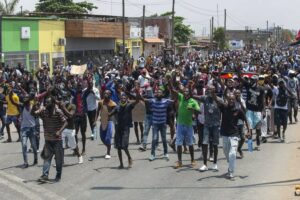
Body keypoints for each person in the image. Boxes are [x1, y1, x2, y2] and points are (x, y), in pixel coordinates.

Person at [34, 96, 67, 182]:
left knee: (58, 160)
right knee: (47, 159)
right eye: (45, 102)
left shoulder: (58, 112)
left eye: (48, 102)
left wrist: (59, 131)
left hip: (57, 140)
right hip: (48, 140)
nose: (46, 104)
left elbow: (65, 122)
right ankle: (45, 175)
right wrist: (35, 105)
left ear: (53, 104)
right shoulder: (44, 112)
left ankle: (58, 175)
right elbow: (34, 114)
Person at [169, 79, 200, 169]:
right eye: (184, 91)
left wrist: (193, 111)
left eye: (187, 91)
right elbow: (172, 90)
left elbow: (199, 111)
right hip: (180, 124)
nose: (185, 92)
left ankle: (192, 160)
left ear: (190, 93)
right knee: (179, 143)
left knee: (190, 144)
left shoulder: (193, 101)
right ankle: (179, 162)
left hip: (189, 125)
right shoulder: (181, 97)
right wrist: (169, 81)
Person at [220, 93, 250, 179]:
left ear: (235, 100)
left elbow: (246, 119)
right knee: (226, 152)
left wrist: (249, 130)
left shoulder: (238, 110)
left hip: (234, 134)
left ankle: (231, 172)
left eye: (233, 99)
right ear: (227, 100)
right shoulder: (223, 107)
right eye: (229, 99)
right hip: (225, 134)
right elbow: (216, 99)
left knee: (232, 154)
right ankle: (230, 164)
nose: (231, 101)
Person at [193, 85, 222, 171]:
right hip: (206, 125)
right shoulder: (205, 98)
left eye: (211, 90)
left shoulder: (219, 99)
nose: (209, 91)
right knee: (204, 143)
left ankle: (215, 163)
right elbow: (192, 96)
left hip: (216, 125)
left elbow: (225, 106)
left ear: (215, 90)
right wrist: (191, 87)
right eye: (208, 90)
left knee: (215, 144)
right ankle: (205, 164)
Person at [141, 89, 173, 161]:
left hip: (163, 124)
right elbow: (143, 99)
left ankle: (165, 153)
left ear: (162, 94)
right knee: (154, 139)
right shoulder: (152, 100)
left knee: (164, 139)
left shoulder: (166, 101)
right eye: (157, 92)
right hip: (155, 123)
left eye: (159, 92)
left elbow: (175, 101)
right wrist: (137, 93)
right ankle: (152, 154)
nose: (158, 93)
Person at [110, 92, 139, 168]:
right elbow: (111, 113)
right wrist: (106, 115)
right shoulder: (117, 107)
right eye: (122, 98)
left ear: (126, 99)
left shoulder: (129, 106)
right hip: (118, 128)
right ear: (120, 99)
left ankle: (129, 158)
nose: (123, 99)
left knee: (124, 146)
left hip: (126, 128)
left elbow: (137, 100)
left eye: (124, 98)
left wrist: (131, 93)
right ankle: (121, 164)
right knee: (119, 147)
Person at [57, 98, 83, 164]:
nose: (63, 100)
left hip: (70, 128)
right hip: (62, 128)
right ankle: (61, 161)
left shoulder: (73, 106)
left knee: (73, 145)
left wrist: (63, 107)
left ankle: (79, 156)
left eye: (66, 97)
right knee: (61, 145)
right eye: (63, 97)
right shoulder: (60, 105)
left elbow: (70, 115)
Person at [96, 90, 117, 159]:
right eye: (104, 93)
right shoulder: (100, 102)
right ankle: (109, 146)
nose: (105, 94)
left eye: (107, 93)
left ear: (110, 95)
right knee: (102, 138)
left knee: (108, 137)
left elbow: (115, 112)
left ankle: (108, 152)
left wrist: (110, 114)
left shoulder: (113, 104)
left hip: (109, 122)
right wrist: (95, 120)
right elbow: (97, 112)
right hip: (102, 121)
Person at [20, 95, 38, 168]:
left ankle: (35, 159)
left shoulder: (33, 106)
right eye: (24, 98)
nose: (24, 99)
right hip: (24, 128)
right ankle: (25, 162)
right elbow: (16, 102)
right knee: (24, 145)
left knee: (34, 146)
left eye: (26, 98)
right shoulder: (22, 106)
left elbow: (37, 113)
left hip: (32, 128)